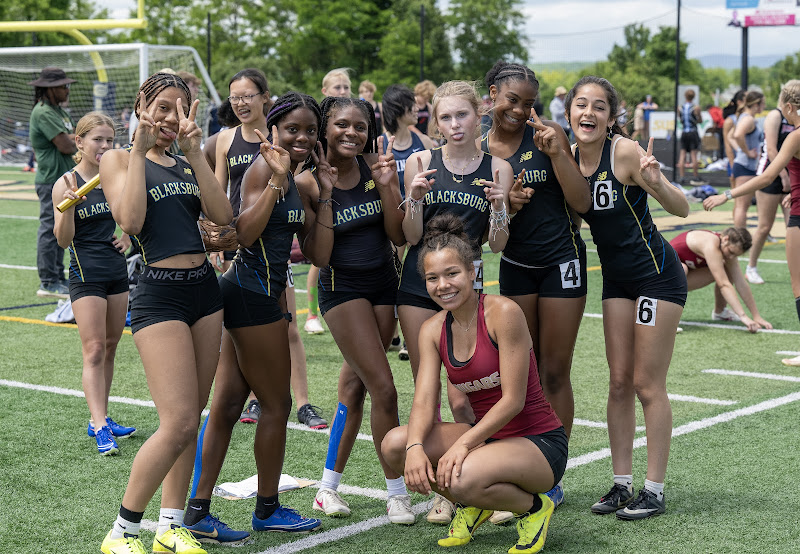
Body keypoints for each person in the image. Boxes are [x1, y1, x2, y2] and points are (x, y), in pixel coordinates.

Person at [97, 72, 233, 554]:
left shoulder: (184, 161)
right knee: (176, 421)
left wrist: (197, 155)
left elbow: (222, 218)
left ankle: (170, 526)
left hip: (204, 291)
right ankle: (122, 531)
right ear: (140, 107)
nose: (172, 118)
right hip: (159, 293)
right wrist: (136, 152)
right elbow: (129, 221)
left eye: (181, 108)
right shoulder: (117, 158)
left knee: (191, 418)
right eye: (162, 107)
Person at [184, 93, 326, 545]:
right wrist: (276, 182)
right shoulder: (265, 170)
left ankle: (198, 510)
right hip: (253, 294)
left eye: (309, 131)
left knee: (227, 406)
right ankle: (267, 509)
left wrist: (321, 197)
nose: (301, 138)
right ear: (275, 128)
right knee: (277, 405)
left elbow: (320, 253)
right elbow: (242, 235)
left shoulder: (302, 181)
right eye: (292, 130)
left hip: (257, 294)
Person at [381, 213, 567, 554]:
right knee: (395, 444)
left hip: (537, 442)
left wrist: (463, 444)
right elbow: (424, 400)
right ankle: (474, 503)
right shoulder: (432, 329)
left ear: (472, 272)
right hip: (487, 439)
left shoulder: (503, 313)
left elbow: (513, 400)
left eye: (452, 274)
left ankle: (534, 508)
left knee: (462, 475)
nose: (443, 286)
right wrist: (415, 448)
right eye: (433, 278)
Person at [567, 76, 689, 519]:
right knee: (618, 382)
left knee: (645, 384)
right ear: (569, 113)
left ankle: (654, 489)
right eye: (582, 104)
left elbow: (682, 209)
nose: (589, 113)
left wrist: (656, 182)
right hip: (616, 281)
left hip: (656, 277)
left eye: (600, 107)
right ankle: (622, 484)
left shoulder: (624, 151)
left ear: (611, 117)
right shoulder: (566, 157)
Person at [399, 80, 512, 523]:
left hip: (467, 287)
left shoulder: (497, 166)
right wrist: (413, 199)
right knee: (426, 388)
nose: (453, 124)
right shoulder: (421, 161)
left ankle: (481, 479)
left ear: (479, 113)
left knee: (469, 394)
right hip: (418, 284)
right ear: (435, 121)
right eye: (444, 117)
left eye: (461, 115)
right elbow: (410, 237)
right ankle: (443, 492)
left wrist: (501, 207)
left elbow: (499, 243)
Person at [297, 96, 414, 523]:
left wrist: (388, 186)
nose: (352, 133)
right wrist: (327, 193)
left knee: (355, 387)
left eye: (360, 126)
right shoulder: (308, 182)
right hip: (340, 288)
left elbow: (398, 235)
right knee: (385, 388)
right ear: (325, 128)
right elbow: (320, 257)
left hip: (385, 283)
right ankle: (396, 492)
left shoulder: (376, 167)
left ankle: (326, 488)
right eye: (342, 125)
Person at [481, 61, 590, 509]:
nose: (522, 110)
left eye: (529, 103)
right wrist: (508, 205)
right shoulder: (477, 146)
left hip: (562, 259)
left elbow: (581, 204)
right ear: (492, 96)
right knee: (520, 375)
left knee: (554, 369)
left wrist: (560, 152)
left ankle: (553, 473)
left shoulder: (547, 137)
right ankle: (522, 461)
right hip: (516, 265)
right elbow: (485, 225)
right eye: (513, 100)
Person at [51, 112, 135, 456]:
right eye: (97, 139)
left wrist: (127, 234)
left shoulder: (114, 177)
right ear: (79, 142)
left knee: (113, 344)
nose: (104, 146)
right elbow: (62, 240)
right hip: (86, 273)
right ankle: (100, 425)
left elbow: (132, 214)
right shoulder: (67, 181)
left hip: (117, 270)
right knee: (95, 349)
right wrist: (69, 206)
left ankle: (99, 415)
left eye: (109, 140)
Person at [703, 81, 800, 367]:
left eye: (783, 110)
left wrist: (727, 194)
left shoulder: (795, 136)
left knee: (799, 284)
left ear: (791, 107)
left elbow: (767, 177)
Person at [381, 84, 437, 360]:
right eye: (411, 105)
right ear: (397, 109)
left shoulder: (424, 144)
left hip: (417, 222)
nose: (417, 108)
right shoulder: (380, 144)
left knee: (412, 276)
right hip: (391, 224)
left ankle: (405, 338)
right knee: (392, 278)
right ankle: (392, 332)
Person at [303, 68, 354, 335]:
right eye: (337, 88)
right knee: (318, 260)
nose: (343, 92)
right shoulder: (317, 121)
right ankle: (312, 313)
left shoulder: (353, 116)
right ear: (324, 91)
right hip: (323, 192)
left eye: (346, 87)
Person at [28, 67, 77, 298]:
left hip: (64, 179)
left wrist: (77, 139)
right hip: (50, 179)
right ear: (49, 89)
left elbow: (74, 138)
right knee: (50, 229)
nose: (67, 90)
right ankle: (48, 281)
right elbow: (67, 145)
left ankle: (58, 276)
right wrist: (80, 139)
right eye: (63, 86)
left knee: (62, 228)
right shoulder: (43, 112)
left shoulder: (59, 112)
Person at [670, 228, 771, 332]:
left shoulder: (725, 247)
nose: (731, 257)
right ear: (726, 239)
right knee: (682, 269)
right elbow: (723, 284)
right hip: (657, 278)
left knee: (727, 269)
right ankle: (665, 319)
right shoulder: (711, 244)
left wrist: (756, 316)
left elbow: (740, 282)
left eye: (735, 255)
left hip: (676, 276)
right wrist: (743, 316)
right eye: (731, 252)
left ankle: (720, 312)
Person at [744, 102, 794, 284]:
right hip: (771, 175)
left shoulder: (795, 117)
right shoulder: (775, 115)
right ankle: (751, 267)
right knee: (765, 226)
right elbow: (772, 150)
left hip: (791, 176)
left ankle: (794, 268)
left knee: (794, 227)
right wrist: (783, 176)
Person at [730, 91, 766, 229]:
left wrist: (742, 151)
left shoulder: (745, 117)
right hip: (745, 166)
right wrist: (747, 152)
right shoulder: (748, 119)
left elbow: (732, 136)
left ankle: (739, 236)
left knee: (741, 205)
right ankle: (740, 238)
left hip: (744, 165)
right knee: (742, 206)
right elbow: (737, 135)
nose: (764, 106)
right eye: (763, 104)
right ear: (756, 104)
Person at [722, 90, 747, 190]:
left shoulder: (747, 118)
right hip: (736, 159)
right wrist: (733, 166)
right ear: (740, 102)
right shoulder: (730, 121)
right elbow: (728, 145)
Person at [678, 89, 703, 184]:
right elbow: (700, 120)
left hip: (684, 132)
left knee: (682, 154)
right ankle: (695, 176)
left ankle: (682, 177)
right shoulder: (696, 108)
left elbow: (681, 120)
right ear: (694, 97)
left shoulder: (680, 108)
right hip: (693, 132)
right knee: (693, 155)